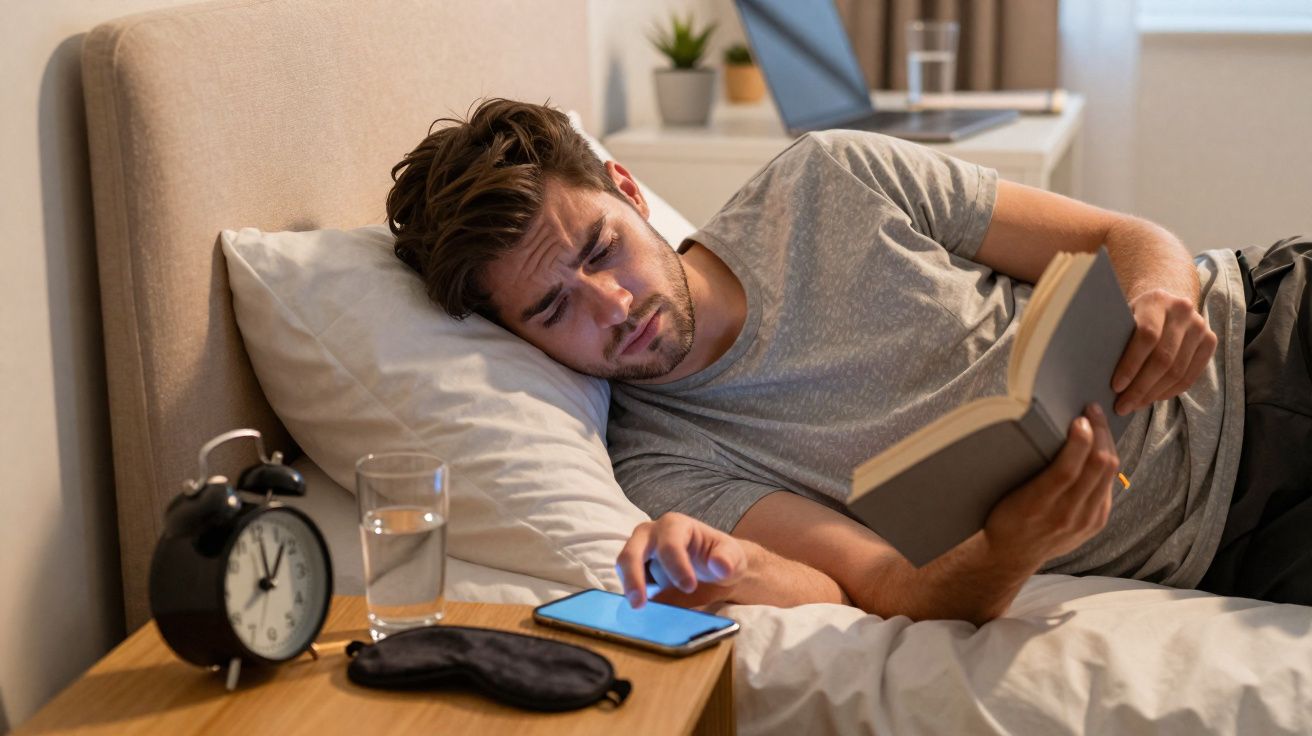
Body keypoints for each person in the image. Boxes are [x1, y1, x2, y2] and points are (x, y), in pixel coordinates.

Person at [385, 99, 1312, 624]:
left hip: (1266, 325)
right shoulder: (663, 465)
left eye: (601, 250)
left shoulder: (830, 177)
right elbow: (893, 590)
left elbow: (1124, 238)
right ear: (520, 339)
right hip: (1238, 538)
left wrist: (1160, 297)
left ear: (627, 192)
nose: (613, 307)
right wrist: (1014, 548)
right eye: (554, 309)